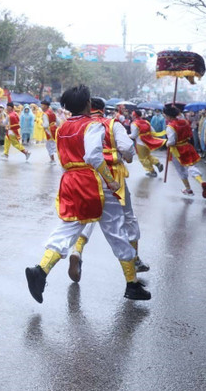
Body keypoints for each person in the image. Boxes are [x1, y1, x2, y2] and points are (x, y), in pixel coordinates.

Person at [24, 85, 150, 304]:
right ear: (87, 104)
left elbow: (64, 159)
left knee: (68, 227)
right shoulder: (93, 126)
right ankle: (132, 283)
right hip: (94, 183)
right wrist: (110, 181)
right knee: (116, 230)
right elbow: (93, 156)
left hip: (70, 181)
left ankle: (41, 270)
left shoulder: (62, 128)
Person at [67, 97, 149, 280]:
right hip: (112, 177)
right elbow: (127, 147)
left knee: (88, 217)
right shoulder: (112, 124)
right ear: (103, 109)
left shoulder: (79, 124)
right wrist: (127, 157)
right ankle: (134, 260)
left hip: (85, 178)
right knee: (128, 217)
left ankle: (77, 250)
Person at [163, 104, 206, 198]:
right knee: (191, 167)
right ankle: (201, 181)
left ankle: (188, 189)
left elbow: (171, 142)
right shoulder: (184, 122)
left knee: (181, 171)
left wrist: (166, 143)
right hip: (188, 147)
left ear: (168, 115)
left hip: (177, 151)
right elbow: (189, 134)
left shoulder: (170, 126)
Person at [130, 110, 166, 177]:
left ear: (135, 116)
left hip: (140, 143)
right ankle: (157, 163)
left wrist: (127, 135)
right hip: (147, 142)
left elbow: (133, 135)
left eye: (132, 114)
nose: (131, 115)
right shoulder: (146, 122)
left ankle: (152, 171)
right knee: (148, 156)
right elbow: (153, 131)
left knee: (143, 158)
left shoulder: (134, 124)